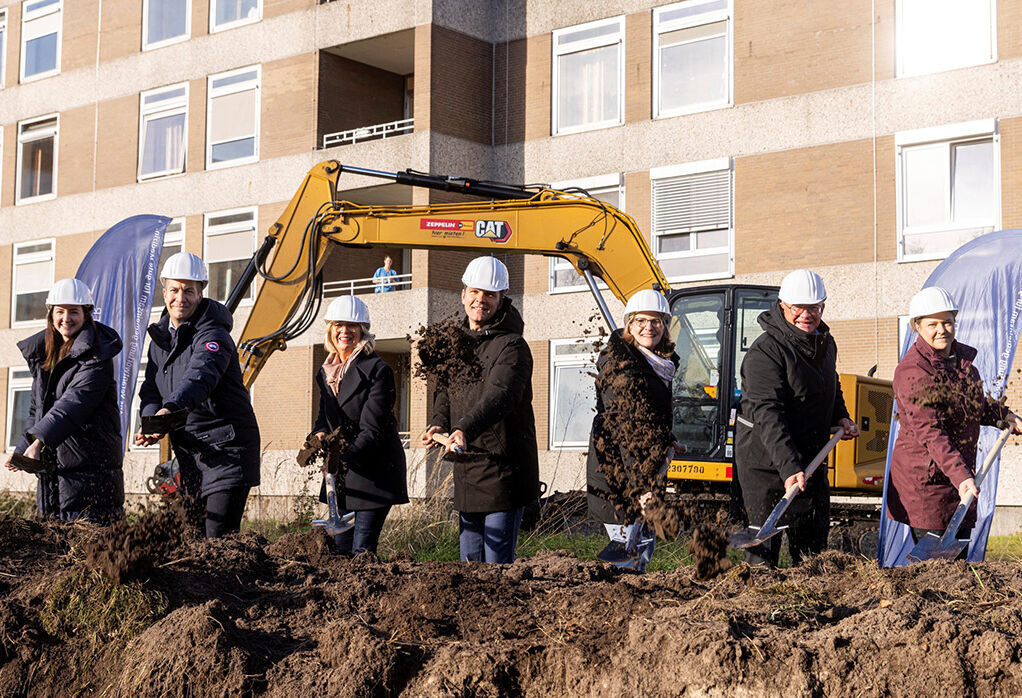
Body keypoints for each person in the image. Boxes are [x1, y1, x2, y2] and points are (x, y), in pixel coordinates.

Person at [735, 269, 860, 567]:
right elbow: (768, 414)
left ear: (823, 307)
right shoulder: (765, 352)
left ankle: (810, 605)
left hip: (812, 461)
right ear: (782, 306)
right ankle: (758, 604)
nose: (806, 314)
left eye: (814, 307)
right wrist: (789, 466)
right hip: (766, 466)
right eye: (798, 308)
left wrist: (841, 416)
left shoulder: (825, 345)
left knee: (811, 553)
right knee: (763, 554)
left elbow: (831, 385)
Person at [887, 287, 1022, 557]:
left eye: (947, 322)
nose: (942, 330)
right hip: (926, 482)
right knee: (934, 565)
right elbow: (930, 431)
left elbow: (974, 406)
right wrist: (962, 478)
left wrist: (1003, 416)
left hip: (958, 475)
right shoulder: (913, 371)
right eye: (932, 324)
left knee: (957, 560)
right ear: (917, 327)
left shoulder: (963, 365)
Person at [422, 256, 540, 563]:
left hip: (504, 467)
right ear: (463, 294)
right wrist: (438, 423)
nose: (480, 300)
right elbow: (446, 391)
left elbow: (499, 397)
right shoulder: (456, 343)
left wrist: (462, 429)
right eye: (475, 292)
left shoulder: (512, 346)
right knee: (469, 562)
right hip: (469, 463)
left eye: (489, 294)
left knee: (496, 563)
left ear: (501, 299)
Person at [135, 252, 260, 538]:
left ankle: (234, 583)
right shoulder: (160, 341)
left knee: (217, 539)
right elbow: (151, 389)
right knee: (191, 537)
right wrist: (151, 422)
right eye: (175, 290)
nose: (182, 298)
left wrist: (170, 410)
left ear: (201, 293)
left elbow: (200, 377)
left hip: (227, 450)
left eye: (189, 291)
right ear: (164, 292)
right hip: (191, 454)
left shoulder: (214, 335)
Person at [4, 278, 124, 523]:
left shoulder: (97, 357)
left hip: (90, 473)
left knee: (93, 550)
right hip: (57, 472)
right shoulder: (46, 356)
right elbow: (38, 409)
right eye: (60, 311)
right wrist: (22, 448)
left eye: (74, 312)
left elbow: (73, 405)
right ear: (51, 315)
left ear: (87, 314)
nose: (66, 318)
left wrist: (37, 443)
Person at [305, 295, 408, 555]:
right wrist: (317, 436)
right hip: (343, 476)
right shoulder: (326, 372)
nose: (344, 331)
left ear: (363, 330)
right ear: (330, 328)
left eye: (352, 325)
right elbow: (324, 417)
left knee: (362, 550)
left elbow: (372, 430)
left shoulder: (377, 371)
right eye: (339, 325)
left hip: (374, 472)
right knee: (339, 551)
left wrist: (341, 458)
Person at [587, 289, 680, 527]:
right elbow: (626, 430)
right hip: (621, 478)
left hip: (644, 475)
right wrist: (641, 488)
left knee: (641, 553)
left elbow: (648, 419)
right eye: (640, 320)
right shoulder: (621, 368)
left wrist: (666, 439)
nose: (649, 327)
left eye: (656, 321)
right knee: (628, 556)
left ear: (665, 326)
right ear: (629, 325)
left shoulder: (657, 364)